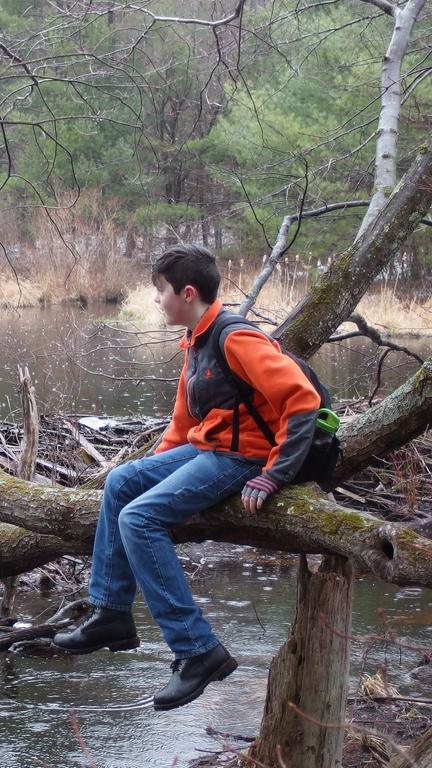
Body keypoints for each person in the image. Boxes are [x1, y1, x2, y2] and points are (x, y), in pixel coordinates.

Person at [53, 244, 321, 711]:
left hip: (246, 459)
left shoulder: (236, 339)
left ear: (188, 292)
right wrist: (150, 476)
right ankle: (112, 611)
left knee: (139, 520)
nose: (157, 300)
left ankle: (198, 652)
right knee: (121, 483)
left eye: (161, 291)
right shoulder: (195, 339)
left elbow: (302, 400)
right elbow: (181, 427)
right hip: (208, 448)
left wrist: (274, 475)